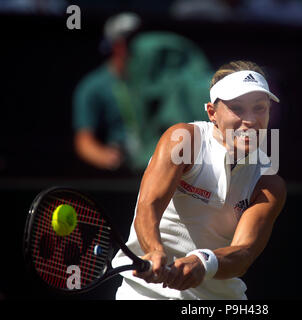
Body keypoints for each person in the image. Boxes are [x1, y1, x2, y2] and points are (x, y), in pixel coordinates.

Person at [112, 60, 287, 299]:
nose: (251, 120)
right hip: (144, 293)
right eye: (237, 107)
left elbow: (244, 253)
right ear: (212, 113)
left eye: (260, 108)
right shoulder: (183, 140)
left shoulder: (269, 182)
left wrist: (204, 261)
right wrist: (154, 250)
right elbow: (148, 206)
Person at [72, 12, 141, 171]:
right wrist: (108, 158)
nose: (136, 47)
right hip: (120, 172)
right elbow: (84, 141)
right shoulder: (92, 86)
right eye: (129, 41)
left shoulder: (157, 81)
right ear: (115, 45)